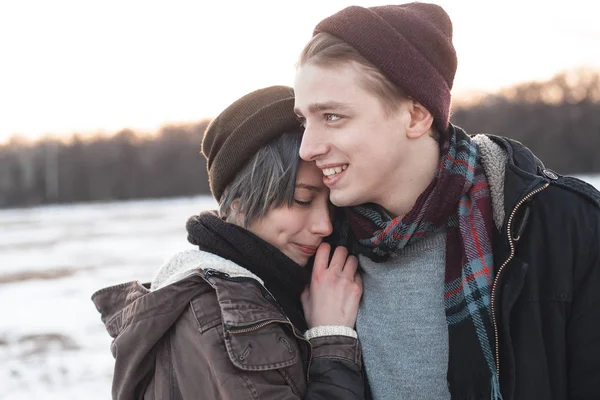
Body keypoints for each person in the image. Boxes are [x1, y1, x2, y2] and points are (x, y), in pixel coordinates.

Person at [293, 3, 600, 400]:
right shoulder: (317, 248)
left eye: (332, 116)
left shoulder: (565, 225)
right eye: (304, 120)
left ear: (417, 116)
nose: (307, 148)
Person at [92, 86, 365, 399]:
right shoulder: (218, 315)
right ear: (238, 202)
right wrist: (331, 339)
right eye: (302, 200)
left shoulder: (267, 289)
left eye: (332, 206)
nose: (324, 225)